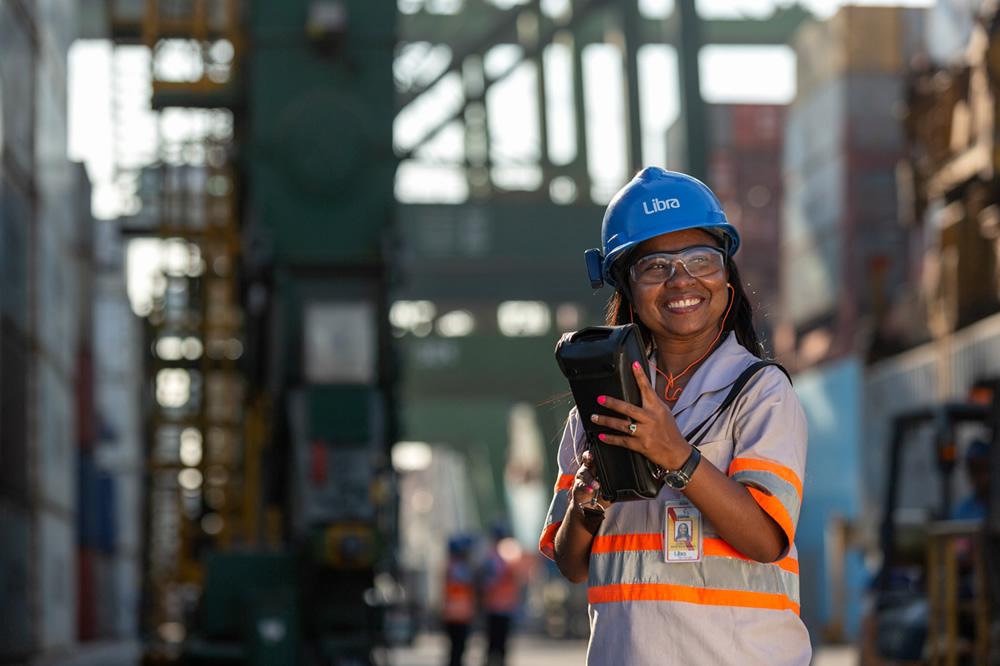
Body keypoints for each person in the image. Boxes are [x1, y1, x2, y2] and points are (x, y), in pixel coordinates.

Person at [538, 167, 811, 664]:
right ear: (627, 287)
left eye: (701, 260)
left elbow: (766, 538)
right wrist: (587, 502)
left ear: (727, 278)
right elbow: (571, 563)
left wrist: (677, 457)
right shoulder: (596, 409)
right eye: (655, 266)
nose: (681, 280)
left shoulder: (759, 391)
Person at [479, 523, 521, 666]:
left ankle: (493, 661)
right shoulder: (506, 555)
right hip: (501, 606)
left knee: (495, 641)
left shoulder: (493, 556)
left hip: (497, 606)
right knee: (498, 641)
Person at [442, 534, 476, 666]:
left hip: (460, 616)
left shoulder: (454, 565)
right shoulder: (455, 567)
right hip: (456, 616)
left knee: (458, 650)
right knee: (457, 650)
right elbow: (469, 579)